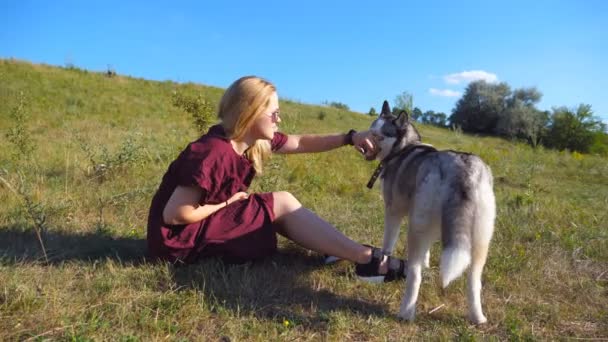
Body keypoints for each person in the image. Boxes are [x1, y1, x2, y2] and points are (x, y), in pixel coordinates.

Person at [146, 76, 406, 282]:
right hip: (177, 243)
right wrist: (228, 205)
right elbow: (175, 215)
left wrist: (350, 138)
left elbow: (299, 142)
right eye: (273, 114)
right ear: (249, 112)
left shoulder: (248, 142)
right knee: (279, 203)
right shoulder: (214, 152)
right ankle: (367, 261)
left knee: (276, 205)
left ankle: (339, 249)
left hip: (196, 229)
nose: (278, 119)